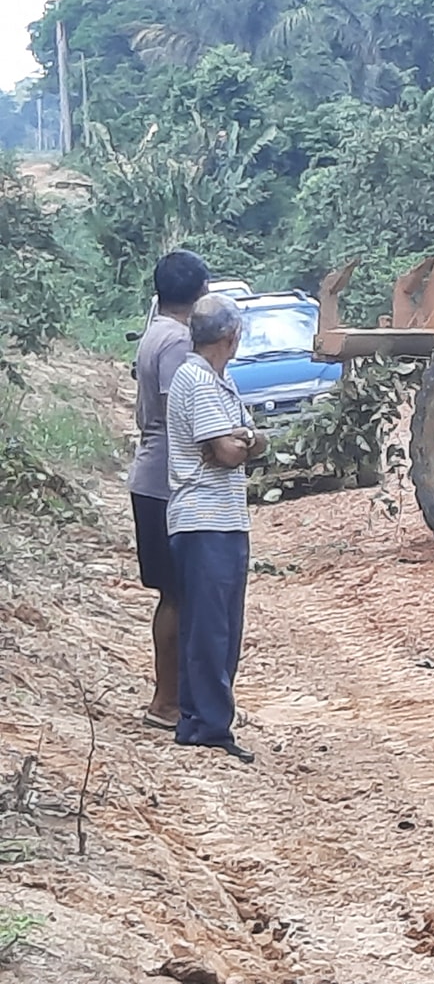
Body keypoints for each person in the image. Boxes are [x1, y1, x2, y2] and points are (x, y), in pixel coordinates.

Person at [165, 293, 266, 764]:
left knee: (219, 624)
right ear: (232, 336)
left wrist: (243, 440)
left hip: (222, 518)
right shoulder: (199, 383)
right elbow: (226, 450)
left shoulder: (216, 381)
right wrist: (242, 441)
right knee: (211, 628)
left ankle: (201, 718)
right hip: (204, 519)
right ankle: (208, 723)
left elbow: (247, 439)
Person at [128, 250, 209, 731]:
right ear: (199, 293)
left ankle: (173, 696)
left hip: (153, 477)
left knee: (172, 593)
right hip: (165, 483)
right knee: (177, 593)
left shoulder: (155, 331)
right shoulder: (177, 342)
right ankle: (166, 701)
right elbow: (183, 413)